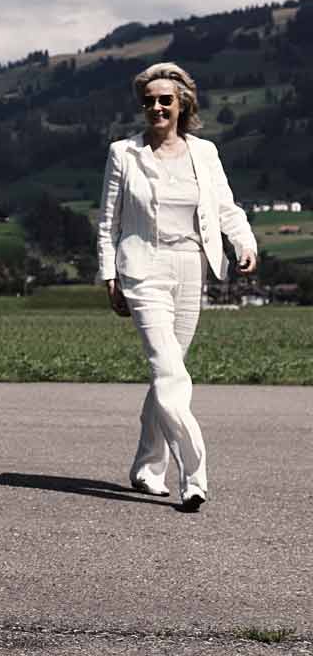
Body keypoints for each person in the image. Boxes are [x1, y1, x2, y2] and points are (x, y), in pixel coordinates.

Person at [96, 62, 257, 511]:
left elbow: (225, 206)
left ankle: (148, 468)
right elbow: (108, 222)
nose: (156, 107)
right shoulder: (123, 153)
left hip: (191, 266)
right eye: (148, 100)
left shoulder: (203, 152)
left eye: (165, 99)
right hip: (142, 267)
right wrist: (110, 276)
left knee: (167, 373)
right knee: (170, 372)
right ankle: (194, 476)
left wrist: (243, 241)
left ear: (183, 103)